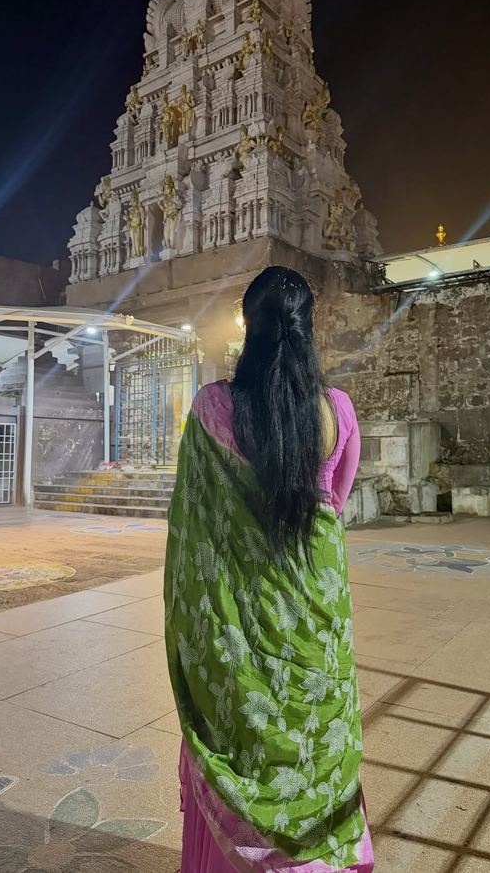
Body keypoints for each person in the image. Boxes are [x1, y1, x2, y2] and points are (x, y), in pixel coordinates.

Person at [165, 266, 373, 873]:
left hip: (236, 625)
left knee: (242, 740)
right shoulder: (337, 411)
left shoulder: (213, 408)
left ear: (248, 327)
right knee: (311, 746)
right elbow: (334, 503)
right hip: (312, 625)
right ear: (309, 329)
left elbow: (193, 524)